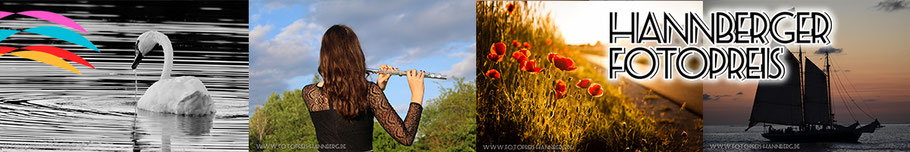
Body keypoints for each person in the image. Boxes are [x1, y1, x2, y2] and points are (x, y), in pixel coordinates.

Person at [301, 25, 426, 151]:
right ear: (355, 53)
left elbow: (341, 117)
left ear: (325, 55)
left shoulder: (310, 93)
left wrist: (378, 89)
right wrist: (417, 94)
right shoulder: (369, 92)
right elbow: (406, 137)